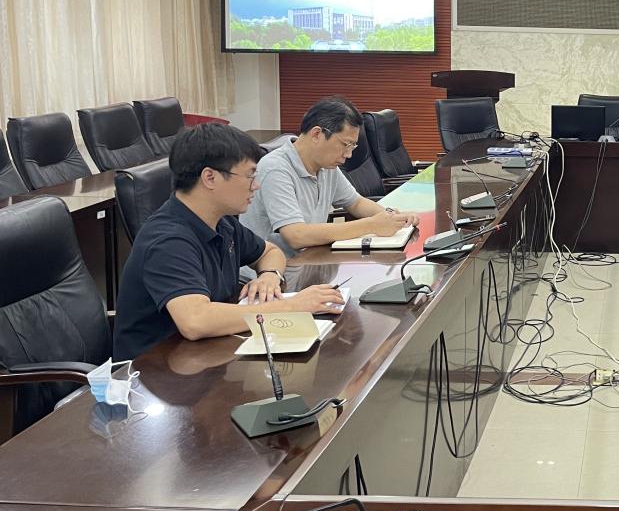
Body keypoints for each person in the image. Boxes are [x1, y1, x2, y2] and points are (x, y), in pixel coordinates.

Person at [113, 123, 344, 360]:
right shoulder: (167, 240)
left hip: (205, 355)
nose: (256, 185)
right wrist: (292, 306)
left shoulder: (221, 222)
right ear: (210, 177)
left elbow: (270, 252)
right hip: (153, 370)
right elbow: (196, 321)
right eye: (250, 175)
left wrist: (269, 275)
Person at [242, 97, 419, 257]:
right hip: (272, 272)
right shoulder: (275, 168)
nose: (349, 154)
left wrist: (391, 217)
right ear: (317, 134)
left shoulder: (326, 166)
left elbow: (355, 203)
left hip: (311, 259)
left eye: (352, 146)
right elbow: (296, 235)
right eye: (345, 144)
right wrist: (371, 225)